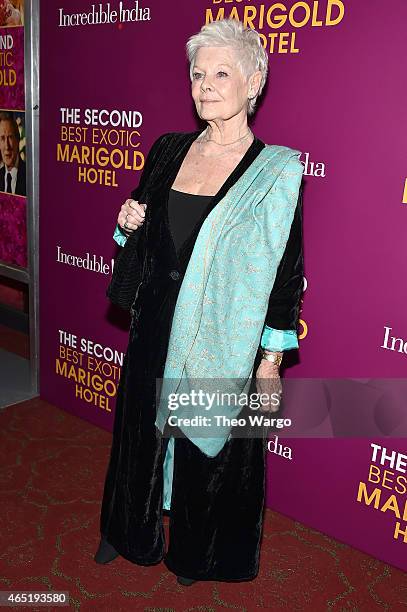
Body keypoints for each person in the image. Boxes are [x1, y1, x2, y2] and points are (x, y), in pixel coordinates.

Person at [95, 18, 304, 585]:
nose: (206, 85)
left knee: (202, 449)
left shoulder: (275, 171)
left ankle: (196, 552)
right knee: (139, 430)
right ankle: (127, 530)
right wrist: (126, 221)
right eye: (197, 74)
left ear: (253, 81)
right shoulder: (167, 151)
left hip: (222, 333)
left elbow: (285, 273)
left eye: (221, 73)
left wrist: (269, 360)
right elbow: (138, 230)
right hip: (155, 319)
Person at [0, 112, 26, 196]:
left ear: (17, 140)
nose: (7, 146)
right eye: (2, 138)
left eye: (10, 137)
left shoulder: (29, 176)